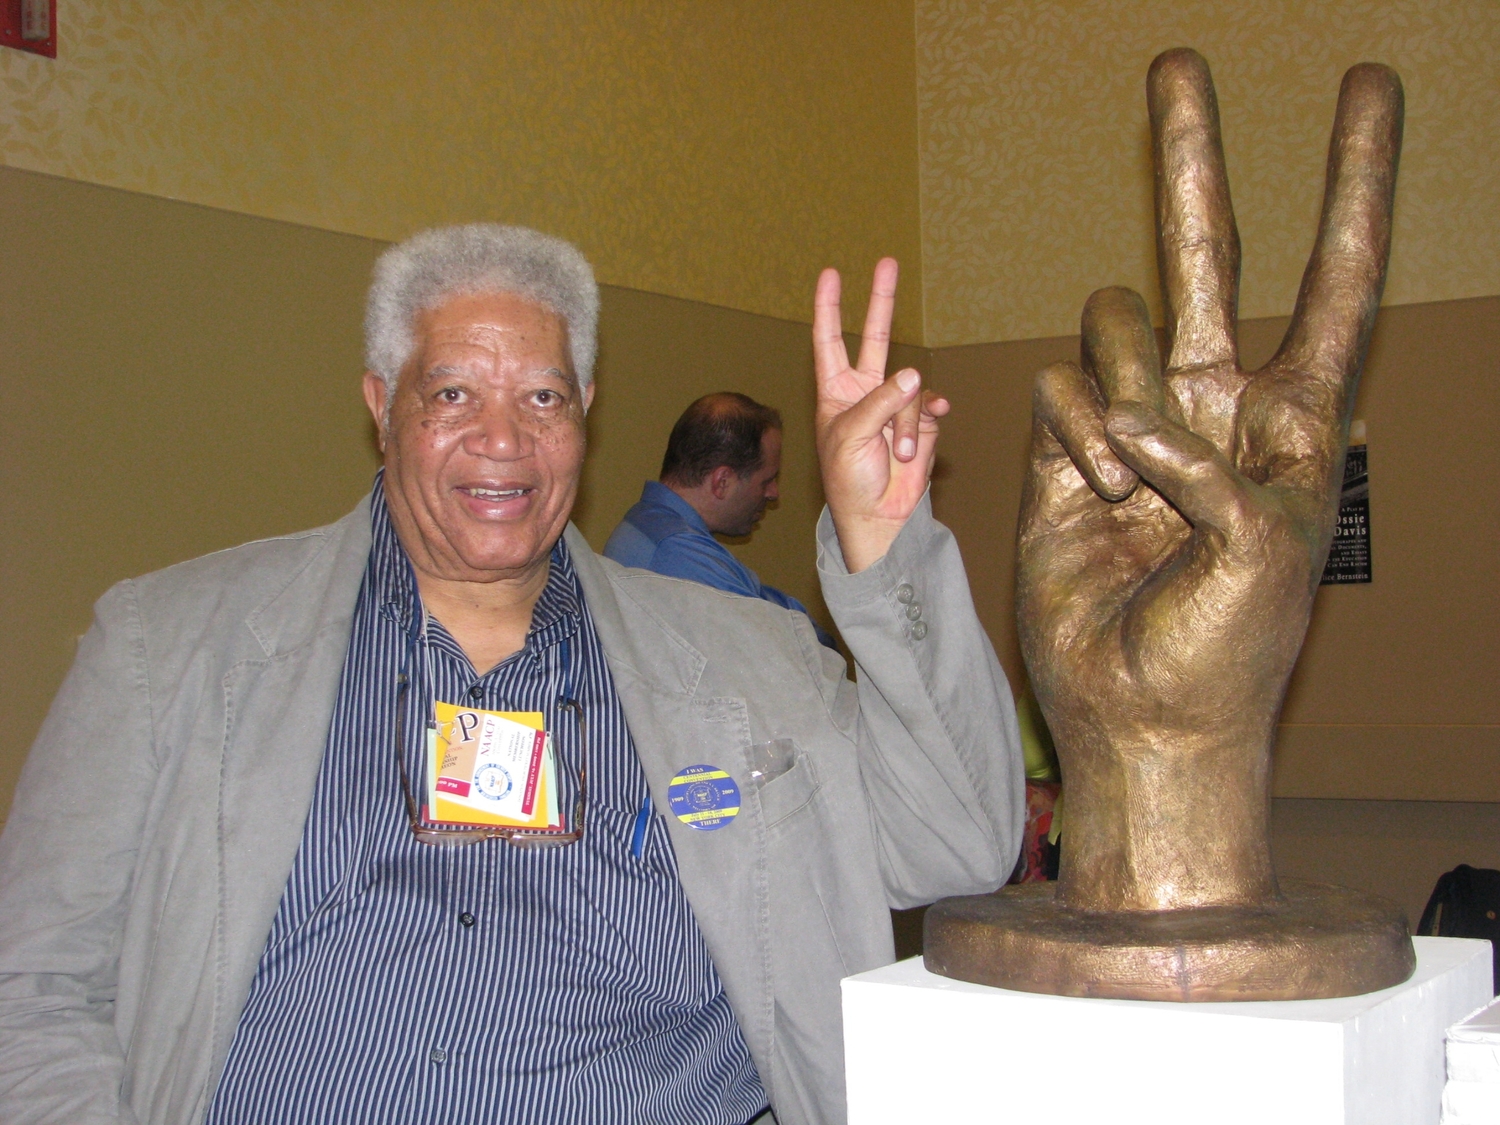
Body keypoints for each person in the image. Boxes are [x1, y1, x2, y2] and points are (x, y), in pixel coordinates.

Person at [0, 224, 1023, 1125]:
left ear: (586, 407)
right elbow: (34, 989)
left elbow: (961, 840)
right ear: (380, 405)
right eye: (452, 393)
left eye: (541, 396)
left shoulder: (751, 664)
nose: (503, 440)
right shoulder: (167, 646)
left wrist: (886, 548)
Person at [605, 392, 839, 649]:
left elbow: (763, 603)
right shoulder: (676, 553)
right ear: (722, 482)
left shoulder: (649, 525)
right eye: (767, 480)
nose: (774, 493)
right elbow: (788, 653)